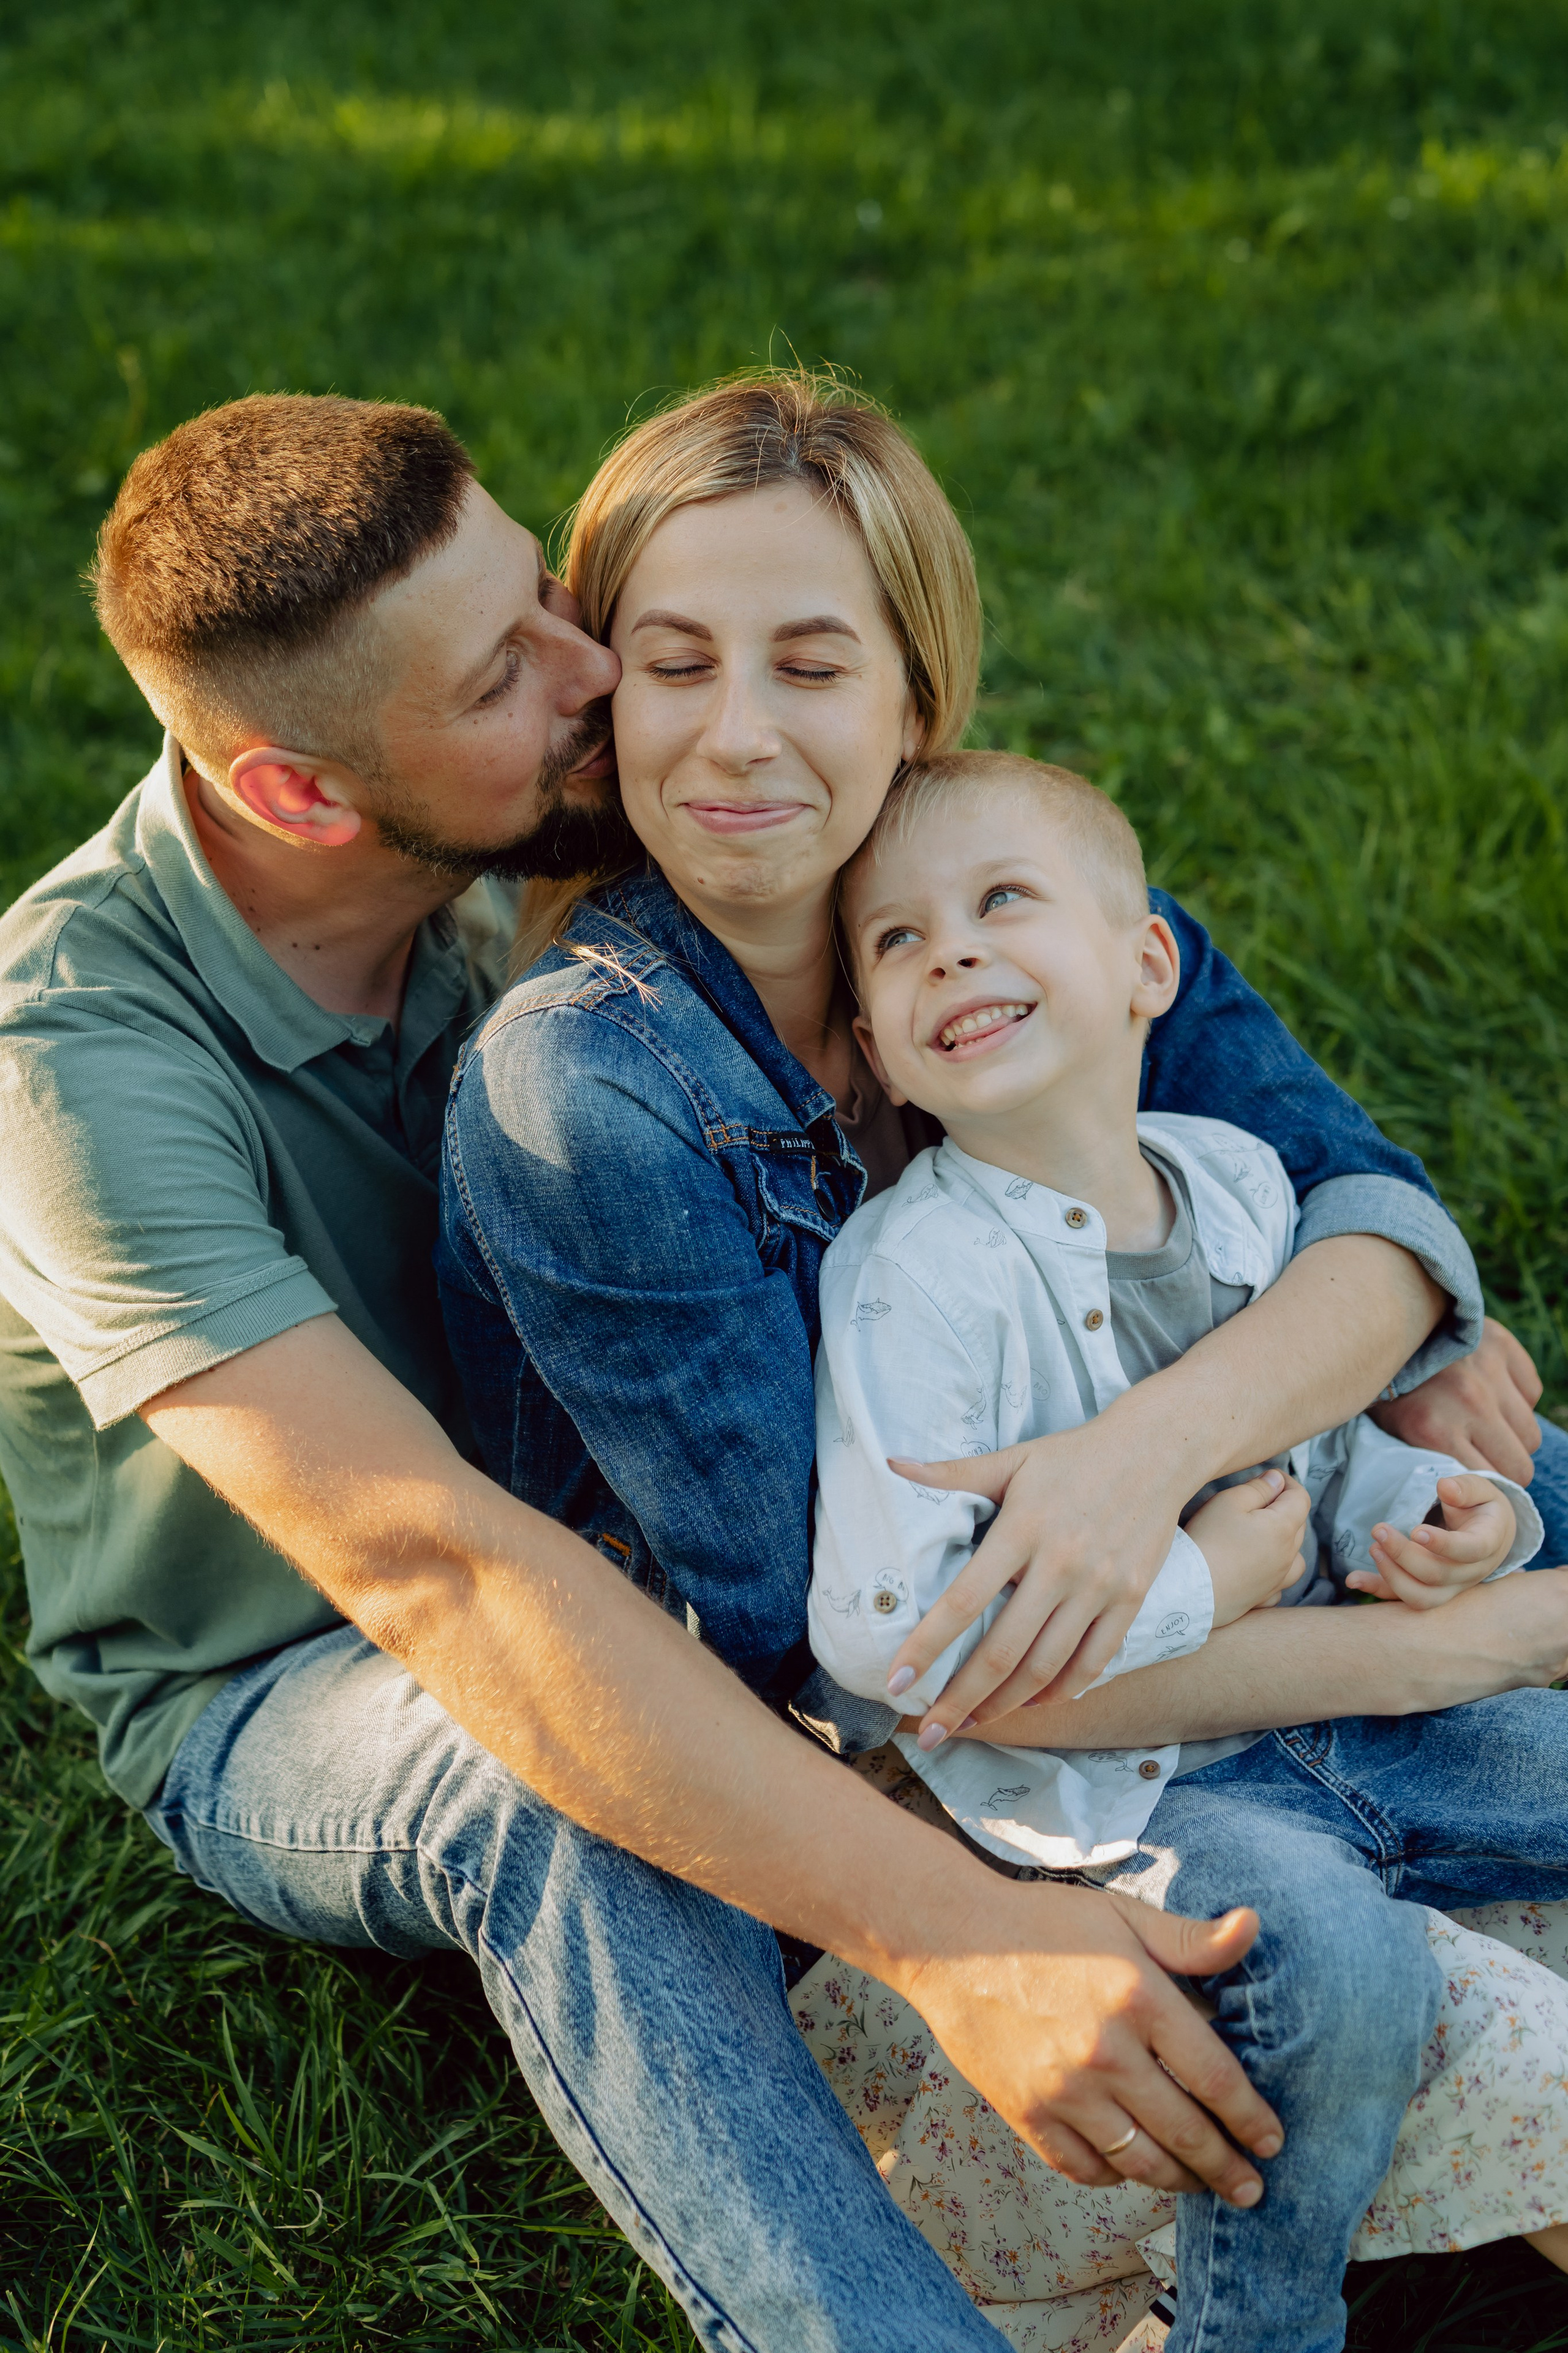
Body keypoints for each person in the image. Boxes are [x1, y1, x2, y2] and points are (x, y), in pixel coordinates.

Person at [0, 385, 1553, 2353]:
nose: (599, 681)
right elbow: (446, 1575)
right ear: (302, 795)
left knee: (1508, 1469)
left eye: (557, 600)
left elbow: (1362, 1208)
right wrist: (964, 1936)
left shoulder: (615, 826)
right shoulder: (75, 1070)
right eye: (523, 668)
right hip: (299, 1662)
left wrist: (1334, 1357)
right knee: (537, 1785)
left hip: (875, 1479)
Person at [437, 373, 1568, 2326]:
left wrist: (1181, 1456)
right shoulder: (590, 1094)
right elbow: (837, 1651)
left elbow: (1372, 1215)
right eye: (675, 663)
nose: (735, 734)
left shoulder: (1020, 884)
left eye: (812, 662)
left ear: (915, 697)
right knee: (1376, 1872)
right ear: (604, 694)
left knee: (1511, 1472)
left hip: (1162, 1560)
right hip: (906, 1732)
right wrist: (1359, 1599)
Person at [809, 748, 1568, 2348]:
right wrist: (1195, 1588)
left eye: (1000, 901)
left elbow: (1326, 1447)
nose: (949, 949)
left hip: (1349, 1710)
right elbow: (887, 1639)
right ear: (876, 1047)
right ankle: (1257, 2327)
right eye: (896, 940)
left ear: (1149, 959)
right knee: (1342, 1973)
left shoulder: (1232, 1182)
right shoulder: (909, 1279)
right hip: (1132, 1795)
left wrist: (1435, 1521)